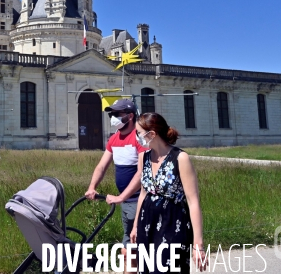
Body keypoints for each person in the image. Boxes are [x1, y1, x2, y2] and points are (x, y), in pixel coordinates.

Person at [130, 112, 207, 273]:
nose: (136, 137)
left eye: (139, 133)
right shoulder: (143, 157)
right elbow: (143, 194)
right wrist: (135, 225)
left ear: (152, 134)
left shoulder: (180, 158)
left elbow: (193, 202)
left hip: (173, 223)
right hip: (147, 224)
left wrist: (198, 245)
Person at [85, 99, 147, 274]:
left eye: (117, 114)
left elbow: (141, 173)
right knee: (129, 248)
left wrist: (121, 197)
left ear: (130, 116)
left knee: (132, 249)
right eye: (112, 114)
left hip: (140, 201)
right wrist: (92, 187)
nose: (113, 118)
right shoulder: (114, 139)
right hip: (127, 203)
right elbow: (102, 166)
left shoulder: (139, 138)